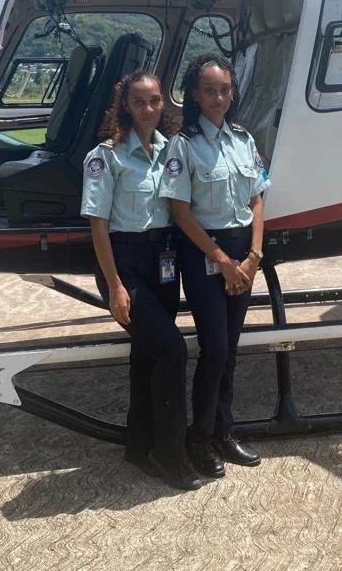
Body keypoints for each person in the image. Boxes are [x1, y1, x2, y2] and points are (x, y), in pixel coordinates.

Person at [81, 71, 203, 491]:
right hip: (124, 262)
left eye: (155, 101)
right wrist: (114, 286)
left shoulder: (173, 151)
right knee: (172, 351)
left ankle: (138, 445)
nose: (149, 109)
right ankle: (172, 455)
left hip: (164, 261)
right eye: (139, 102)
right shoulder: (107, 156)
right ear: (125, 106)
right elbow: (97, 227)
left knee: (147, 356)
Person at [160, 54, 270, 479]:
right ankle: (200, 438)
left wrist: (254, 256)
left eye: (224, 89)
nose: (218, 97)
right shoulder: (183, 145)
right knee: (215, 349)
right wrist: (224, 262)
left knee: (231, 351)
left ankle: (225, 431)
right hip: (206, 254)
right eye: (210, 90)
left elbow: (257, 199)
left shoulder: (244, 140)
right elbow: (181, 212)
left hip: (244, 253)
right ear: (194, 95)